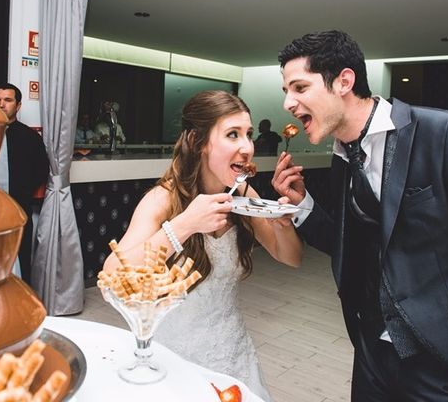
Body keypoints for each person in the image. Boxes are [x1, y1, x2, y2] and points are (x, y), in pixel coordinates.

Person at [271, 30, 448, 401]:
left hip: (445, 360)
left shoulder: (445, 133)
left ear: (344, 81)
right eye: (286, 92)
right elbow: (353, 245)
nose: (289, 103)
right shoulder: (342, 156)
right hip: (372, 351)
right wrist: (301, 204)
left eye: (299, 88)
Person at [103, 90, 303, 400]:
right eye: (232, 135)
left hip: (233, 353)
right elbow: (113, 277)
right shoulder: (163, 199)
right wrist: (184, 225)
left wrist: (284, 224)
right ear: (199, 143)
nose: (247, 147)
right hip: (175, 358)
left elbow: (290, 257)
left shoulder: (242, 196)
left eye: (248, 135)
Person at [0, 83, 49, 285]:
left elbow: (42, 169)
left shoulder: (30, 137)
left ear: (18, 105)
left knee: (21, 255)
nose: (1, 104)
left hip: (19, 208)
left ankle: (21, 297)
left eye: (8, 100)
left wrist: (22, 192)